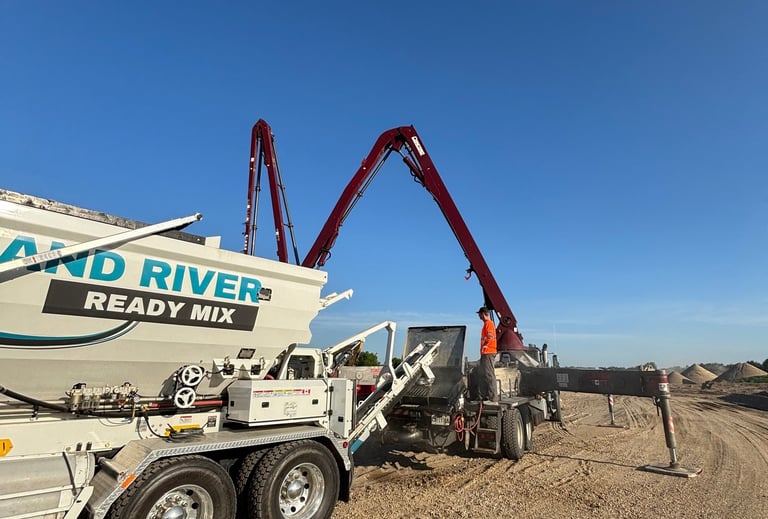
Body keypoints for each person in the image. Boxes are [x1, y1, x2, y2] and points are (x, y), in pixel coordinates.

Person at [476, 306, 497, 402]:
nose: (479, 317)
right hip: (486, 352)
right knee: (483, 374)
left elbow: (490, 337)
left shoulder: (489, 324)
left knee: (489, 374)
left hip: (488, 352)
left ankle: (493, 398)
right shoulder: (487, 324)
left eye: (479, 314)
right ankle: (484, 396)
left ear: (483, 314)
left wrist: (485, 346)